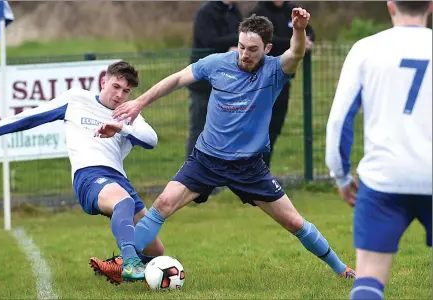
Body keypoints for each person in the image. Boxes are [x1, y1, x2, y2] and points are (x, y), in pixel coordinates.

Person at [96, 10, 356, 283]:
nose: (245, 54)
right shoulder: (217, 63)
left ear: (267, 48)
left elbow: (297, 53)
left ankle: (342, 269)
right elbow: (176, 79)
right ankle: (123, 264)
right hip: (206, 160)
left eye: (253, 49)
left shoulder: (274, 70)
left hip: (249, 167)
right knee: (163, 203)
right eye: (242, 46)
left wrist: (300, 30)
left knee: (294, 222)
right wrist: (140, 102)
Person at [0, 61, 165, 284]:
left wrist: (121, 127)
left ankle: (120, 265)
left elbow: (151, 140)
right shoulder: (77, 99)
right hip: (89, 176)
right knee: (123, 202)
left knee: (155, 252)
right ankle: (130, 263)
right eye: (116, 86)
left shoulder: (128, 113)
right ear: (103, 81)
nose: (119, 95)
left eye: (126, 91)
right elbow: (34, 115)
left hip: (119, 180)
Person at [325, 2, 432, 299]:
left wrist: (341, 176)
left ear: (390, 6)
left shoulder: (366, 49)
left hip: (383, 180)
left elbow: (339, 120)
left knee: (369, 278)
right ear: (431, 6)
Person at [249, 1, 315, 168]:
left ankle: (263, 171)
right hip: (263, 80)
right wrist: (296, 43)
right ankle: (253, 172)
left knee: (275, 127)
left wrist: (306, 38)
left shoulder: (291, 10)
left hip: (284, 79)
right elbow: (265, 40)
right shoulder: (260, 11)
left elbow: (310, 30)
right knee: (261, 129)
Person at [186, 1, 242, 157]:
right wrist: (232, 45)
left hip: (227, 83)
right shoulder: (206, 13)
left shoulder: (234, 11)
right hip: (203, 83)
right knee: (199, 130)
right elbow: (208, 41)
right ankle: (191, 177)